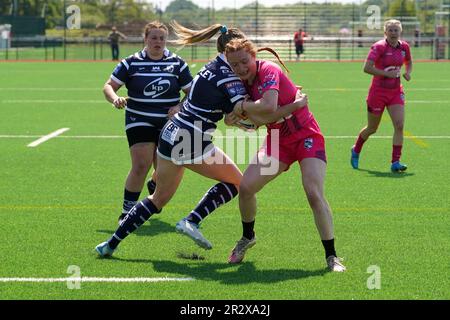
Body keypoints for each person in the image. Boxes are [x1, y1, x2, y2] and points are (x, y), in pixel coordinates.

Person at [95, 23, 305, 256]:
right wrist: (278, 107)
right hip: (191, 137)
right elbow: (244, 109)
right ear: (232, 50)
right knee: (238, 184)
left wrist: (243, 113)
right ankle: (192, 220)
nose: (244, 62)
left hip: (171, 131)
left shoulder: (212, 65)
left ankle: (110, 244)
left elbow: (228, 114)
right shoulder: (229, 77)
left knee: (158, 198)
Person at [224, 38, 346, 272]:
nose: (240, 68)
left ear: (254, 56)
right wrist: (291, 106)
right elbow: (256, 121)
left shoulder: (269, 69)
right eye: (234, 65)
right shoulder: (237, 83)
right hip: (278, 140)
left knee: (313, 192)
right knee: (247, 187)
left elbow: (267, 108)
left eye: (244, 61)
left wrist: (243, 109)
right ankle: (247, 237)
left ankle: (332, 256)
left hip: (305, 135)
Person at [102, 21, 193, 225]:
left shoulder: (177, 63)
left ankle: (155, 183)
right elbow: (109, 86)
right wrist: (115, 98)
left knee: (164, 171)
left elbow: (192, 93)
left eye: (161, 38)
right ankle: (127, 213)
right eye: (153, 37)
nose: (158, 42)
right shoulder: (131, 63)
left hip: (169, 123)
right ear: (145, 39)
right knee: (141, 164)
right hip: (138, 118)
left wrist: (179, 106)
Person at [350, 19, 412, 172]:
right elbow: (366, 68)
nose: (393, 33)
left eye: (396, 30)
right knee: (372, 128)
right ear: (385, 32)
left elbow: (409, 61)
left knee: (399, 125)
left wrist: (408, 72)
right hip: (378, 93)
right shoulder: (378, 47)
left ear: (400, 32)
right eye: (390, 30)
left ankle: (395, 162)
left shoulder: (404, 47)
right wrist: (386, 74)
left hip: (396, 92)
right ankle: (356, 149)